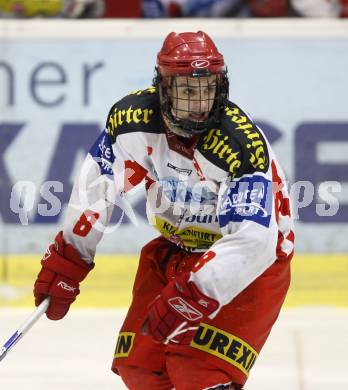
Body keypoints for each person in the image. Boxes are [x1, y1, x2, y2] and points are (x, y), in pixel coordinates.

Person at [33, 31, 294, 390]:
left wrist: (196, 292)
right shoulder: (131, 121)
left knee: (199, 373)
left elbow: (254, 241)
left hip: (249, 268)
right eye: (187, 90)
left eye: (208, 89)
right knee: (140, 369)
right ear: (163, 88)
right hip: (175, 252)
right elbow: (99, 189)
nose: (201, 103)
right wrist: (69, 259)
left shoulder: (239, 145)